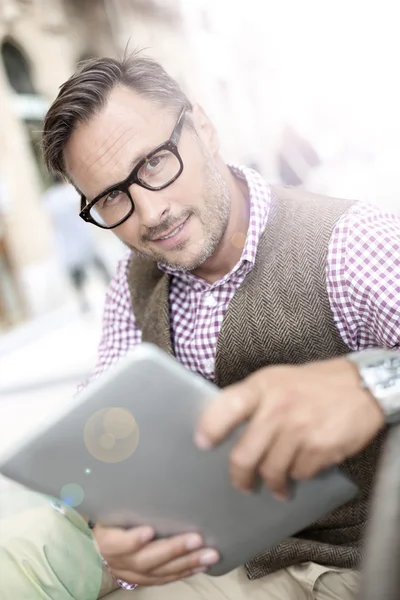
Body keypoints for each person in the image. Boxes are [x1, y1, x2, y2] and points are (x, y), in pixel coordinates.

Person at [2, 53, 399, 600]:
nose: (149, 212)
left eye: (154, 163)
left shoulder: (348, 242)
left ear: (205, 129)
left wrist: (372, 384)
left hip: (335, 559)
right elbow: (105, 423)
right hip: (195, 537)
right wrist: (103, 521)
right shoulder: (133, 278)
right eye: (113, 196)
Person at [43, 173, 111, 312]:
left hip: (66, 239)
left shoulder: (50, 199)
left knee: (76, 275)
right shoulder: (71, 193)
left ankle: (83, 302)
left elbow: (51, 222)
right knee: (98, 264)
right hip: (81, 235)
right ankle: (111, 287)